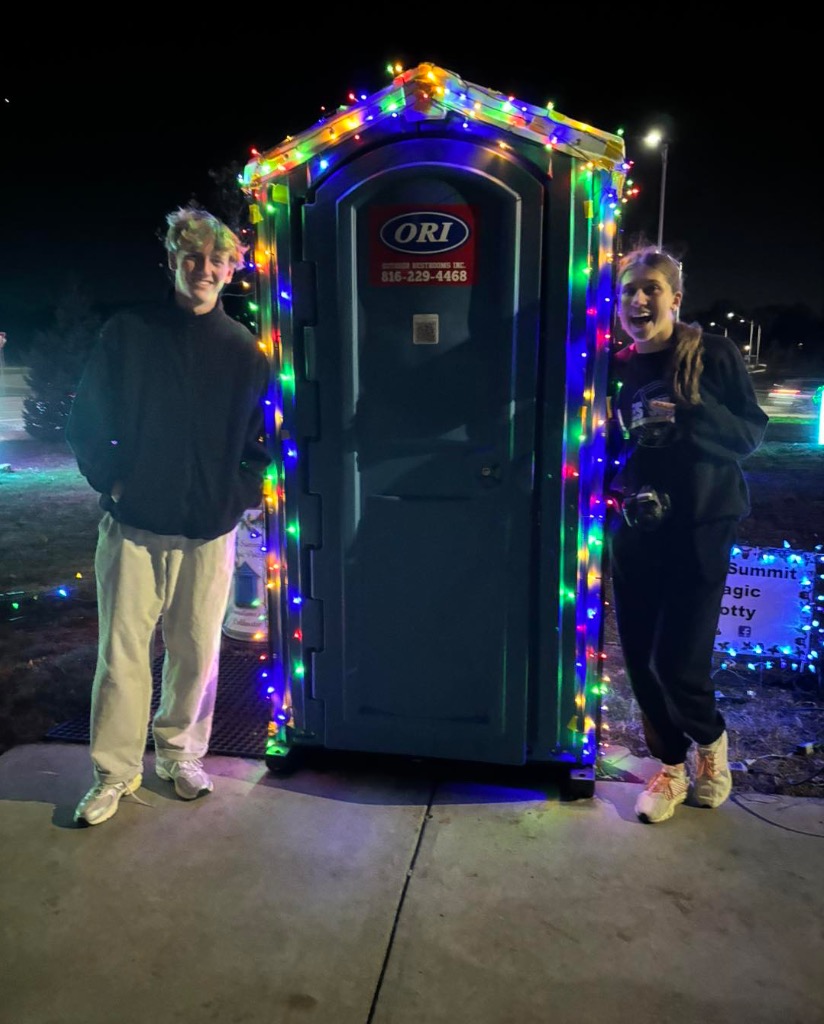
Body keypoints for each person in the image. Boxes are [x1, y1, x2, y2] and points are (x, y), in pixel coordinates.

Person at [66, 206, 271, 826]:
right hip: (134, 525)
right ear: (173, 260)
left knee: (196, 648)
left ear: (233, 267)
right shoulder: (127, 333)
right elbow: (88, 421)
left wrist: (237, 494)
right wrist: (115, 482)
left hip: (210, 528)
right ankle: (114, 771)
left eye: (216, 259)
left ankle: (181, 751)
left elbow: (259, 442)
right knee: (123, 652)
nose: (203, 268)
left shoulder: (245, 352)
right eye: (192, 256)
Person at [606, 246, 769, 824]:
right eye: (628, 290)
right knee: (641, 662)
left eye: (651, 287)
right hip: (635, 528)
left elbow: (750, 435)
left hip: (701, 525)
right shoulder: (617, 365)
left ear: (676, 297)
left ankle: (711, 747)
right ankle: (669, 766)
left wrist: (692, 406)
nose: (638, 299)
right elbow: (607, 447)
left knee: (678, 661)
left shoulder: (712, 355)